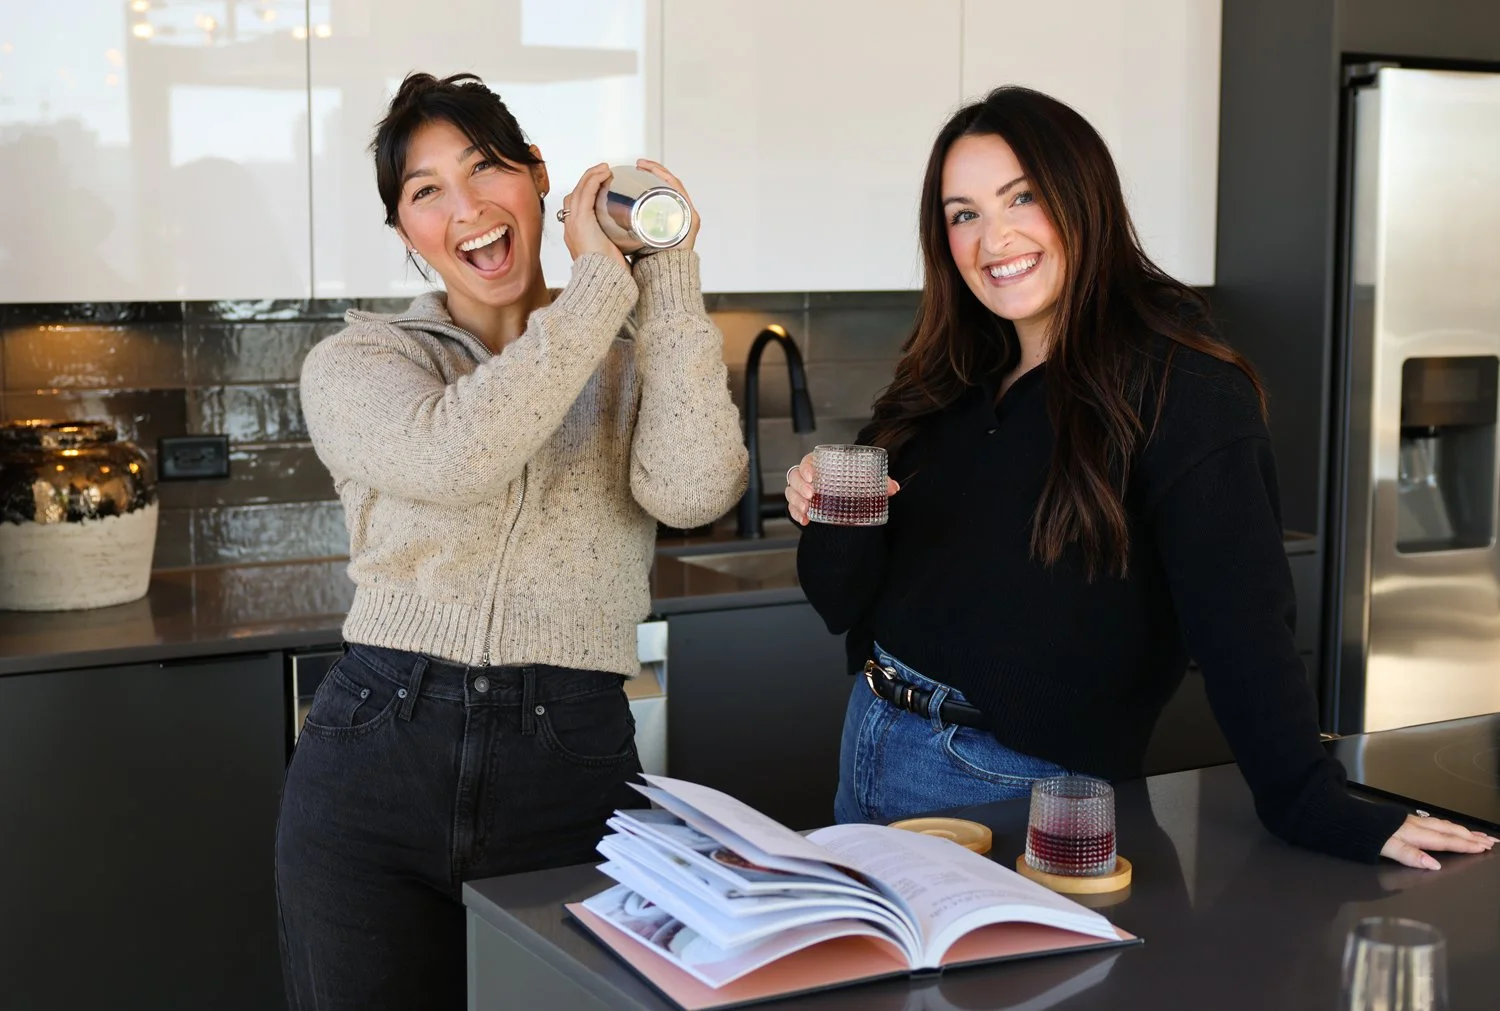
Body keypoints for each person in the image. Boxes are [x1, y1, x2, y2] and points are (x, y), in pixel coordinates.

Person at [785, 86, 1494, 869]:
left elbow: (1243, 624)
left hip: (1018, 782)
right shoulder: (945, 377)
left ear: (1083, 197)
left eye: (1022, 197)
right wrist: (831, 513)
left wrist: (1311, 799)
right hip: (870, 738)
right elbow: (837, 600)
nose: (994, 238)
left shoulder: (1181, 388)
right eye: (964, 213)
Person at [279, 72, 747, 1010]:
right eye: (425, 192)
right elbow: (461, 454)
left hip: (569, 765)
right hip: (375, 758)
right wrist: (592, 294)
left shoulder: (624, 367)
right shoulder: (359, 362)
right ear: (406, 231)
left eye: (487, 168)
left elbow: (696, 489)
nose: (466, 209)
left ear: (541, 180)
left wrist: (666, 276)